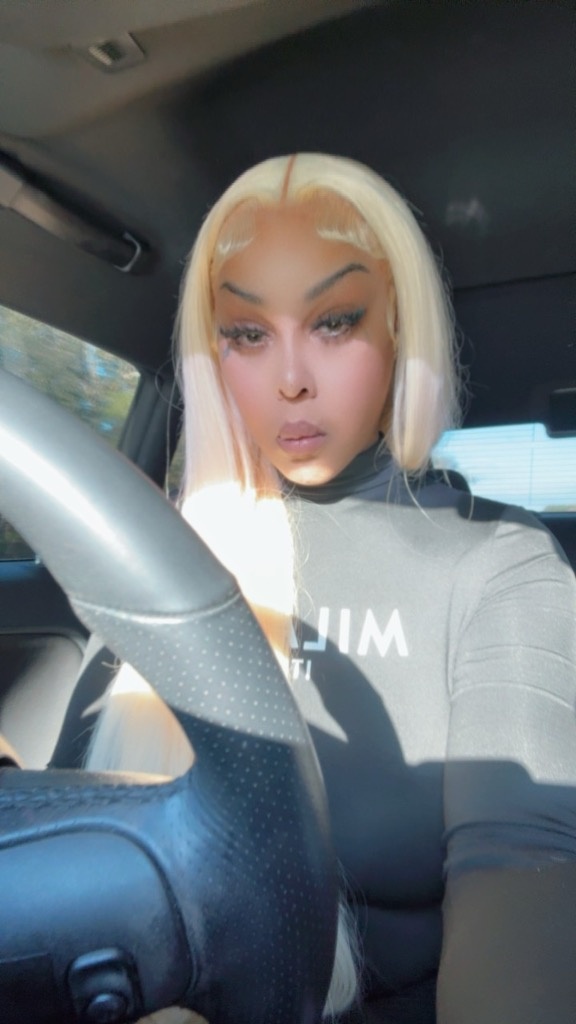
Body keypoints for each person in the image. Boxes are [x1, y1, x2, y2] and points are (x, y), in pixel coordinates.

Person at [86, 153, 576, 1023]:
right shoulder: (164, 560)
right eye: (247, 334)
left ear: (400, 328)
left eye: (336, 322)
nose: (290, 380)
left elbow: (523, 875)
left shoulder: (501, 565)